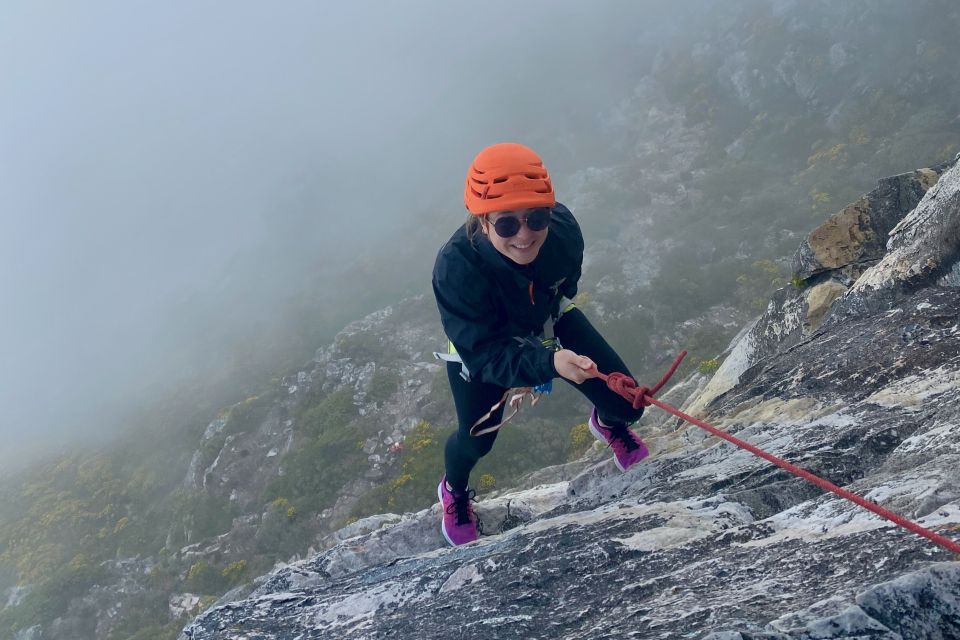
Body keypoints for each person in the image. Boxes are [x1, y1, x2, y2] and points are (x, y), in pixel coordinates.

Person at [432, 142, 649, 546]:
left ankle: (607, 422)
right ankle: (454, 491)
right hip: (483, 343)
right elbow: (483, 352)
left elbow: (563, 287)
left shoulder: (563, 235)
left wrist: (550, 344)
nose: (525, 234)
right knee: (477, 437)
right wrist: (548, 362)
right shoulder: (456, 269)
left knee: (627, 403)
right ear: (482, 221)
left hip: (547, 318)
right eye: (507, 224)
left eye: (536, 217)